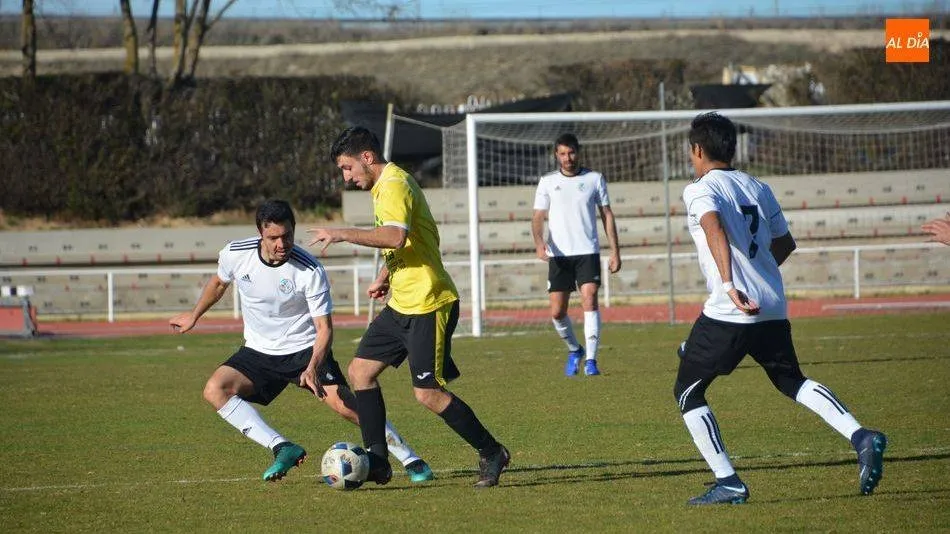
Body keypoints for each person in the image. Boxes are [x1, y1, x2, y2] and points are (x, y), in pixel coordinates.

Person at [673, 112, 887, 505]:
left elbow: (713, 227)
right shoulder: (759, 186)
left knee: (687, 391)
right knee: (792, 381)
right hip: (771, 305)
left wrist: (731, 283)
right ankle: (862, 437)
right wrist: (757, 275)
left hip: (732, 306)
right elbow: (785, 243)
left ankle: (728, 482)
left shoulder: (699, 188)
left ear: (697, 150)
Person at [169, 199, 433, 483]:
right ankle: (282, 448)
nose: (282, 244)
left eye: (287, 236)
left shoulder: (309, 270)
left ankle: (411, 458)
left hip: (305, 350)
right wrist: (194, 315)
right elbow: (219, 283)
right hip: (258, 351)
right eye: (273, 238)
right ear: (261, 233)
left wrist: (312, 366)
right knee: (215, 390)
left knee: (348, 407)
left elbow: (324, 329)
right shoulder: (235, 253)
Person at [309, 126, 510, 488]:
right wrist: (386, 273)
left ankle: (492, 451)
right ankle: (378, 462)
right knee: (360, 372)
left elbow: (394, 236)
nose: (346, 176)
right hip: (402, 302)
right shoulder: (383, 187)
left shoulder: (395, 184)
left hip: (429, 303)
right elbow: (403, 243)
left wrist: (342, 233)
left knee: (427, 393)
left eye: (347, 167)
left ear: (367, 158)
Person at [531, 133, 621, 377]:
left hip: (587, 252)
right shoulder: (547, 181)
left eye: (571, 153)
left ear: (578, 152)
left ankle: (592, 360)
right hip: (559, 255)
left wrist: (615, 251)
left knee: (589, 298)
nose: (567, 158)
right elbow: (538, 217)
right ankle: (575, 349)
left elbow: (607, 214)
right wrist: (539, 243)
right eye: (562, 154)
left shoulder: (594, 179)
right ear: (556, 155)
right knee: (557, 312)